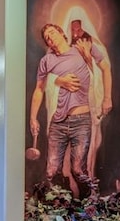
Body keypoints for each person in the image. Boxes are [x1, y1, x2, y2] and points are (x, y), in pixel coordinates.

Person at [29, 23, 112, 197]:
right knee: (51, 171)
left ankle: (86, 205)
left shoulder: (82, 48)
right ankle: (65, 200)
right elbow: (39, 89)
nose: (50, 37)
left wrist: (107, 98)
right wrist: (33, 117)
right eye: (47, 38)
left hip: (81, 120)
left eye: (52, 32)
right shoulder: (47, 61)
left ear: (61, 33)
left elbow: (105, 68)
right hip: (58, 122)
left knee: (78, 171)